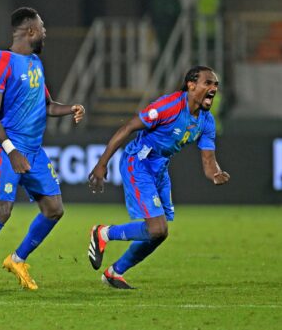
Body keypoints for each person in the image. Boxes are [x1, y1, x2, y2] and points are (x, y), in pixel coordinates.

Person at [0, 7, 85, 293]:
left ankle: (16, 259)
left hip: (34, 150)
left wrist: (71, 109)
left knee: (54, 209)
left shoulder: (35, 64)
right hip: (8, 148)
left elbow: (47, 106)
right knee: (2, 210)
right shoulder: (2, 61)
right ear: (30, 31)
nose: (45, 33)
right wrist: (11, 150)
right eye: (42, 28)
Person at [87, 66, 229, 289]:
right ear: (191, 85)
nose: (214, 88)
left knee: (159, 234)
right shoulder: (169, 106)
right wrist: (102, 164)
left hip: (160, 168)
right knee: (156, 228)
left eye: (216, 85)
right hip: (139, 163)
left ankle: (114, 272)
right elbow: (129, 128)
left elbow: (209, 161)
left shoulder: (206, 121)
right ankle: (103, 232)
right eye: (208, 83)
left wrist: (216, 174)